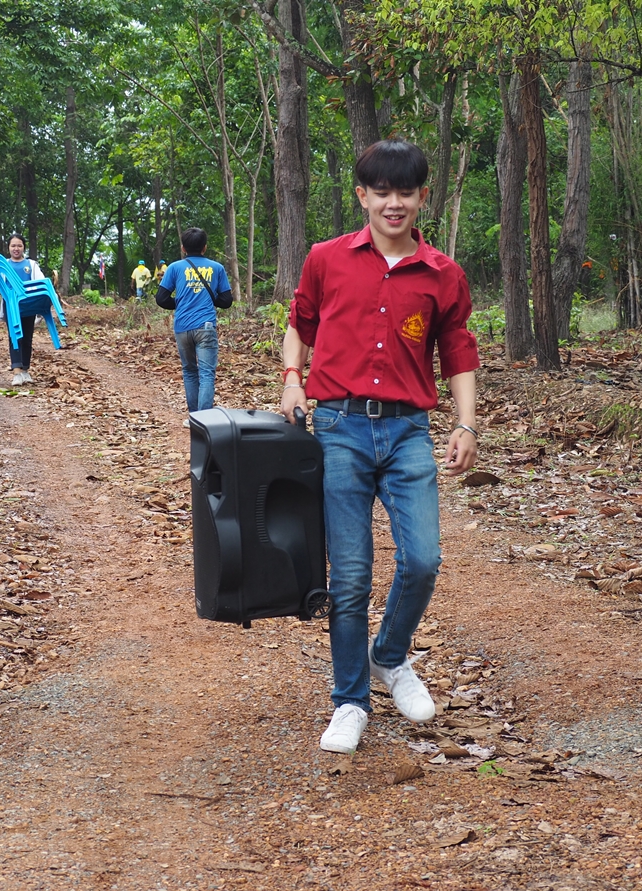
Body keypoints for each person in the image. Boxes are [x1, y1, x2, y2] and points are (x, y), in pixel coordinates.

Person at [279, 139, 479, 754]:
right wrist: (292, 377)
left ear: (423, 197)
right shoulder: (326, 259)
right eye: (381, 191)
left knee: (422, 559)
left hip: (407, 432)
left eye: (406, 191)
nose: (394, 203)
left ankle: (390, 657)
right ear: (362, 196)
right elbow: (300, 322)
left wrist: (467, 425)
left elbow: (459, 352)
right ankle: (349, 701)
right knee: (352, 574)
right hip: (339, 428)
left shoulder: (443, 275)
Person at [156, 229, 233, 413]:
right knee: (206, 374)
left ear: (183, 248)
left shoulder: (174, 268)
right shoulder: (217, 268)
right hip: (205, 327)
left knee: (190, 371)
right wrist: (210, 298)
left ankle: (193, 418)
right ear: (205, 248)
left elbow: (161, 298)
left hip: (182, 327)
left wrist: (180, 303)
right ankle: (204, 421)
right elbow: (227, 301)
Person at [0, 234, 44, 387]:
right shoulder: (2, 264)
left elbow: (39, 281)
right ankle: (17, 371)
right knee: (15, 337)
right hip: (11, 306)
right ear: (8, 247)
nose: (16, 248)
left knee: (27, 337)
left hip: (29, 304)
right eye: (13, 246)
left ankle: (25, 369)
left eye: (19, 245)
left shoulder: (31, 264)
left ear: (24, 247)